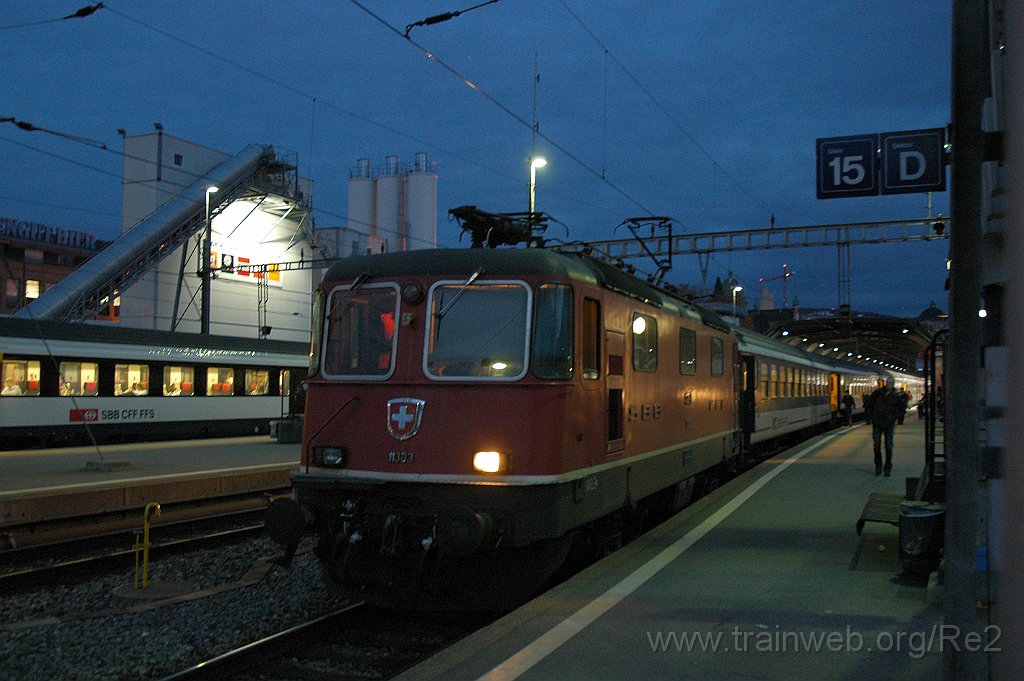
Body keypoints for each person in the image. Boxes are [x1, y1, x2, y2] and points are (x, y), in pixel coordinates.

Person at [864, 377, 904, 477]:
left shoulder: (896, 396)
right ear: (886, 383)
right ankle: (878, 466)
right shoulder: (877, 393)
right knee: (877, 445)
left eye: (891, 383)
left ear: (893, 384)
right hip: (877, 423)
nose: (890, 384)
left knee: (889, 446)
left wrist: (894, 417)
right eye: (888, 382)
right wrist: (872, 416)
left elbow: (902, 408)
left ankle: (887, 467)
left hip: (889, 424)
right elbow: (868, 404)